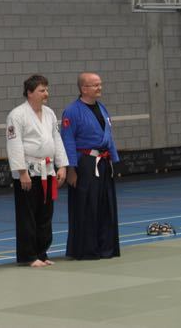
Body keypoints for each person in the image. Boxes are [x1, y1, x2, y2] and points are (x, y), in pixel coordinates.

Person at [6, 75, 68, 267]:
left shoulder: (49, 113)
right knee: (28, 216)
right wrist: (22, 172)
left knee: (45, 215)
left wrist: (62, 165)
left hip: (48, 170)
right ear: (30, 93)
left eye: (46, 89)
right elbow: (14, 144)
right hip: (28, 173)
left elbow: (56, 139)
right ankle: (28, 256)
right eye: (42, 90)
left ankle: (41, 253)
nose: (46, 93)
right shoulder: (17, 115)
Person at [61, 72, 120, 260]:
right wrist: (71, 169)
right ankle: (86, 249)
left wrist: (114, 160)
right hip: (84, 163)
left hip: (103, 161)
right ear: (84, 88)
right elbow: (68, 141)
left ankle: (106, 248)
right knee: (86, 206)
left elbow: (109, 136)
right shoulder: (72, 111)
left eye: (100, 84)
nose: (99, 88)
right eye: (95, 85)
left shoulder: (102, 108)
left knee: (105, 205)